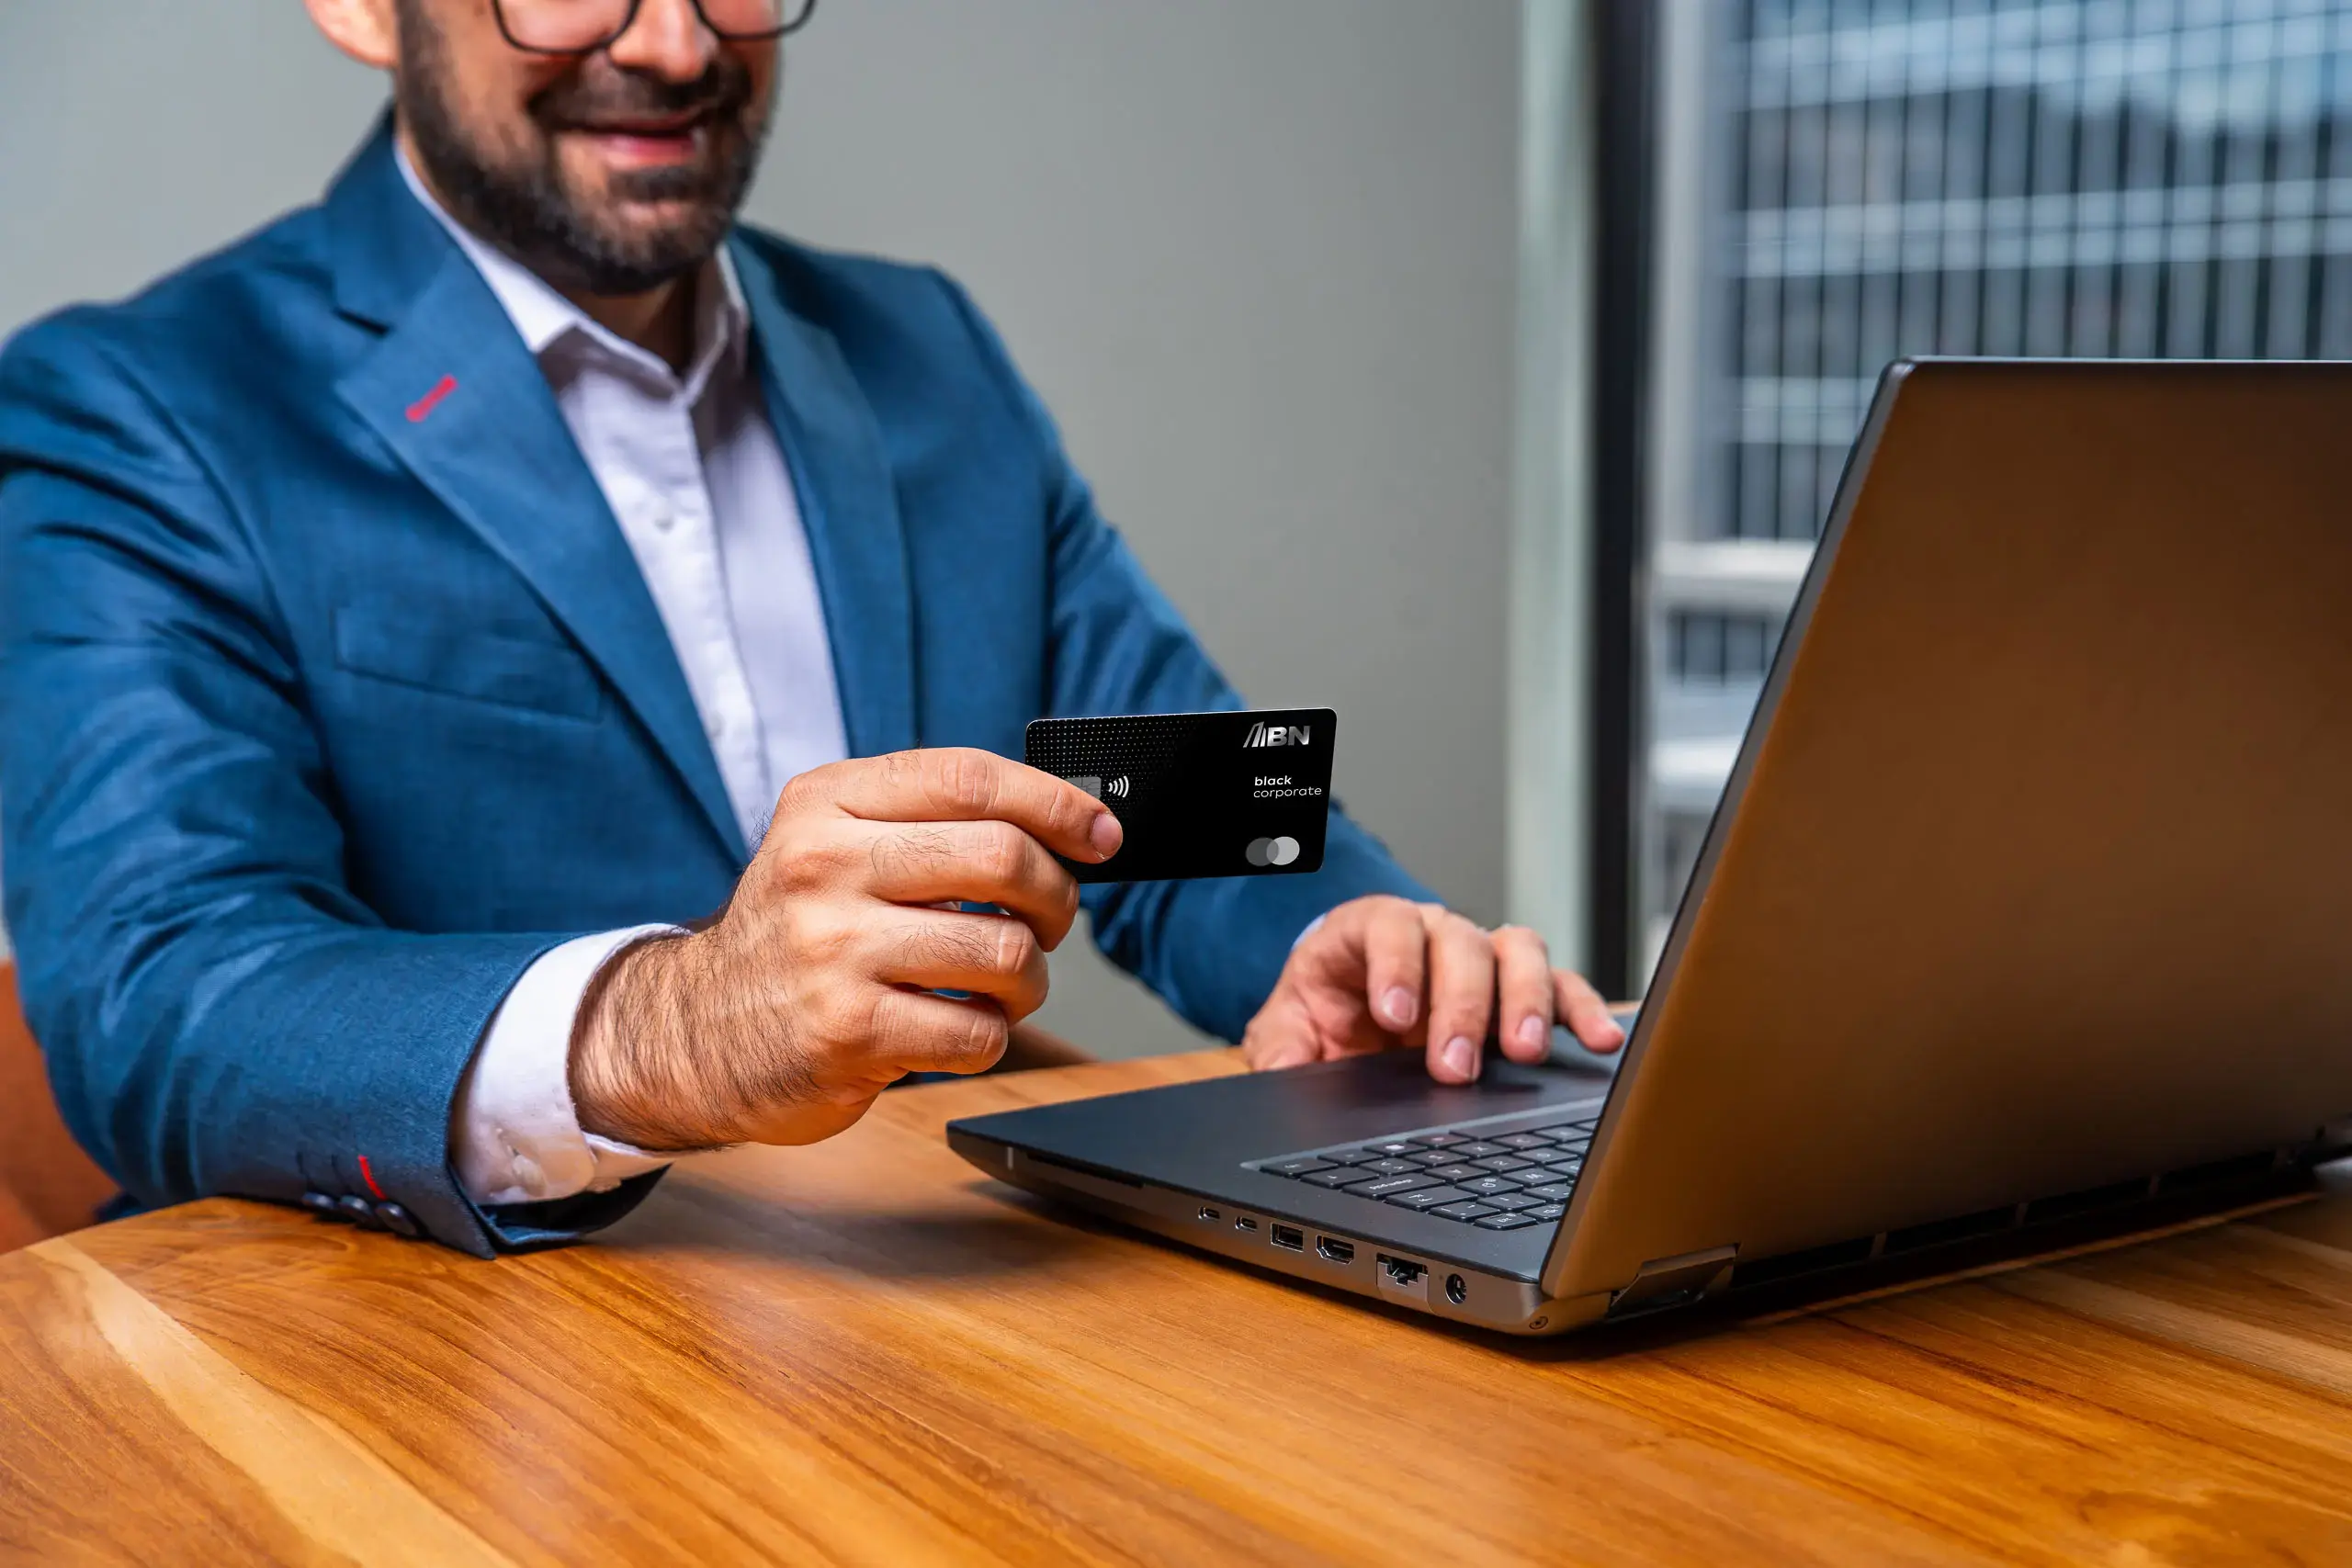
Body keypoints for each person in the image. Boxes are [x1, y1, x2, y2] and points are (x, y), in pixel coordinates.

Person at [0, 0, 1622, 1257]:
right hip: (435, 1390)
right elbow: (164, 991)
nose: (675, 42)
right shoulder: (133, 408)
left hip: (928, 1332)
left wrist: (1364, 945)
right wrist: (674, 1027)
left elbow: (1161, 781)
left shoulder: (926, 349)